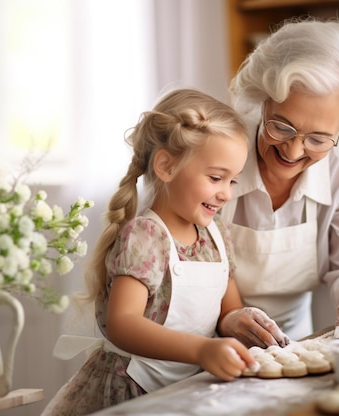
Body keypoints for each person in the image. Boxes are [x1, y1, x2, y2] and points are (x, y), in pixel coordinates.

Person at [43, 89, 286, 416]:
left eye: (233, 181)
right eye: (216, 177)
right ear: (166, 166)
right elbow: (122, 323)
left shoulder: (216, 235)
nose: (226, 193)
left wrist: (238, 321)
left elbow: (228, 309)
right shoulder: (145, 236)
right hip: (133, 390)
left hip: (185, 388)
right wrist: (202, 350)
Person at [217, 18, 339, 343]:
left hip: (290, 338)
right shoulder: (217, 146)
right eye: (281, 126)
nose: (294, 150)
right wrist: (226, 318)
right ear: (263, 99)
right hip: (199, 338)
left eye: (319, 138)